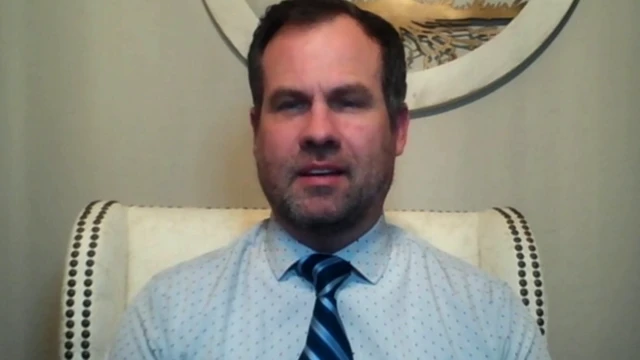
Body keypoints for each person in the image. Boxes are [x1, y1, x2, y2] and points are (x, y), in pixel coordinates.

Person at [108, 0, 551, 358]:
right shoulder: (166, 319)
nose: (319, 132)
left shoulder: (490, 321)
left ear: (398, 130)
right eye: (290, 104)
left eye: (348, 101)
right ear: (256, 132)